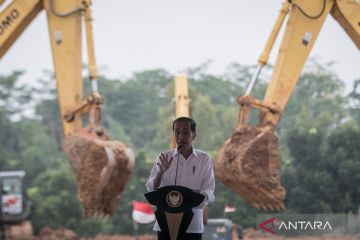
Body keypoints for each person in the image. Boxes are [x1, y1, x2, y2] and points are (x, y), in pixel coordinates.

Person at [146, 117, 215, 240]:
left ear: (194, 135)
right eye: (177, 132)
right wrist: (160, 173)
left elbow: (209, 189)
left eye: (186, 132)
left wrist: (196, 199)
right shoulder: (164, 157)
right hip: (164, 223)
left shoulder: (204, 159)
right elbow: (151, 188)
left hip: (192, 224)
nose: (181, 136)